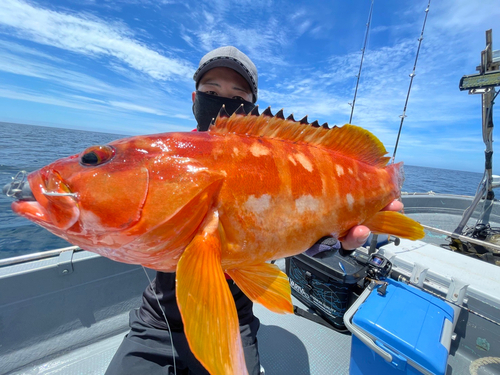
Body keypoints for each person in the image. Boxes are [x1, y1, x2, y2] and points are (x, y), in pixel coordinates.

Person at [105, 46, 402, 375]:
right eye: (211, 91)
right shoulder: (170, 153)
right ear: (194, 99)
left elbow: (295, 229)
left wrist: (321, 241)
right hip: (159, 316)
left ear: (251, 108)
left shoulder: (268, 154)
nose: (222, 100)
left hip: (235, 315)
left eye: (237, 94)